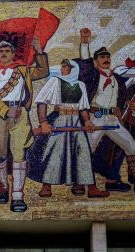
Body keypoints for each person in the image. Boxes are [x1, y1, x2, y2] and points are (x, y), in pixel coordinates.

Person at [27, 59, 109, 198]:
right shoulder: (54, 81)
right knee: (54, 152)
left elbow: (83, 107)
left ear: (73, 69)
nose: (62, 68)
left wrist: (87, 121)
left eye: (65, 66)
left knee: (82, 153)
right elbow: (42, 102)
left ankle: (91, 188)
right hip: (59, 120)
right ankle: (47, 186)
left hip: (76, 122)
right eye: (62, 65)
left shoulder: (80, 85)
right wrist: (44, 122)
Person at [0, 38, 49, 212]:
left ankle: (18, 196)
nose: (4, 54)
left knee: (19, 154)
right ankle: (3, 188)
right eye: (1, 51)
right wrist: (5, 110)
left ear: (13, 54)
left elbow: (43, 71)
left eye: (7, 51)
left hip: (20, 114)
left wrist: (39, 51)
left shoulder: (23, 70)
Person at [74, 28, 135, 192]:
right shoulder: (93, 75)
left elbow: (124, 95)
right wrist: (84, 41)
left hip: (112, 120)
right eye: (102, 57)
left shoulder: (117, 79)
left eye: (107, 56)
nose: (106, 59)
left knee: (131, 145)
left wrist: (120, 111)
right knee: (87, 150)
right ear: (96, 61)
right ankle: (79, 182)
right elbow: (85, 62)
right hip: (96, 117)